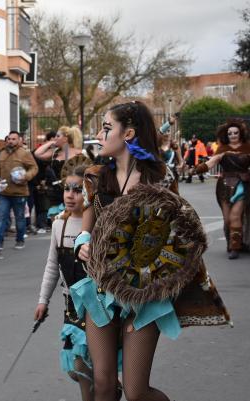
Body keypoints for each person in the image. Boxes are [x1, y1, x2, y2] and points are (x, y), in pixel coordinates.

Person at [72, 101, 230, 401]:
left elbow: (180, 229)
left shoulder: (160, 177)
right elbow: (85, 226)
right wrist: (83, 242)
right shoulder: (95, 176)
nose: (99, 135)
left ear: (128, 133)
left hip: (146, 293)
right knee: (102, 385)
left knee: (136, 392)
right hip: (102, 289)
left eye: (106, 128)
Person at [34, 163, 93, 401]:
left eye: (77, 189)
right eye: (67, 188)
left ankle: (106, 389)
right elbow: (52, 265)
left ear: (88, 193)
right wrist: (43, 301)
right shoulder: (59, 223)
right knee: (74, 369)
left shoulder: (96, 225)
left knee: (84, 365)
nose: (70, 195)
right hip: (71, 304)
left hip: (96, 305)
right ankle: (109, 388)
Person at [194, 119, 250, 259]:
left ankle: (235, 247)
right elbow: (212, 162)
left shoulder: (247, 147)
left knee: (235, 215)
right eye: (230, 133)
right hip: (224, 187)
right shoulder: (222, 149)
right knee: (227, 220)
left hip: (242, 186)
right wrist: (197, 170)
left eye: (235, 133)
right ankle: (233, 241)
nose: (233, 135)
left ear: (240, 133)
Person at [0, 131, 38, 254]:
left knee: (20, 218)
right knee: (0, 218)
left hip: (19, 192)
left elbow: (34, 168)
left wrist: (26, 176)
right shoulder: (1, 153)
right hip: (3, 192)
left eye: (14, 139)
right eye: (9, 139)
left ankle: (20, 240)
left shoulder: (24, 153)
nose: (10, 141)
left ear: (19, 140)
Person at [34, 126, 84, 222]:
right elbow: (37, 153)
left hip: (71, 192)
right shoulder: (55, 152)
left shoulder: (78, 153)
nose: (55, 138)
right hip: (55, 193)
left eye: (58, 136)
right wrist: (50, 142)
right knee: (56, 222)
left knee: (70, 222)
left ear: (65, 138)